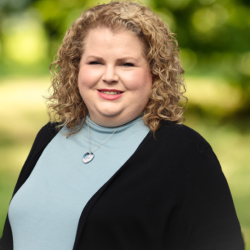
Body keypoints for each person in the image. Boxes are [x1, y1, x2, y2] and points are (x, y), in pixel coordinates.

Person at [0, 1, 244, 250]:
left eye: (126, 64)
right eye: (95, 62)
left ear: (155, 73)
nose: (109, 76)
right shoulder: (49, 137)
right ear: (76, 69)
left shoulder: (185, 152)